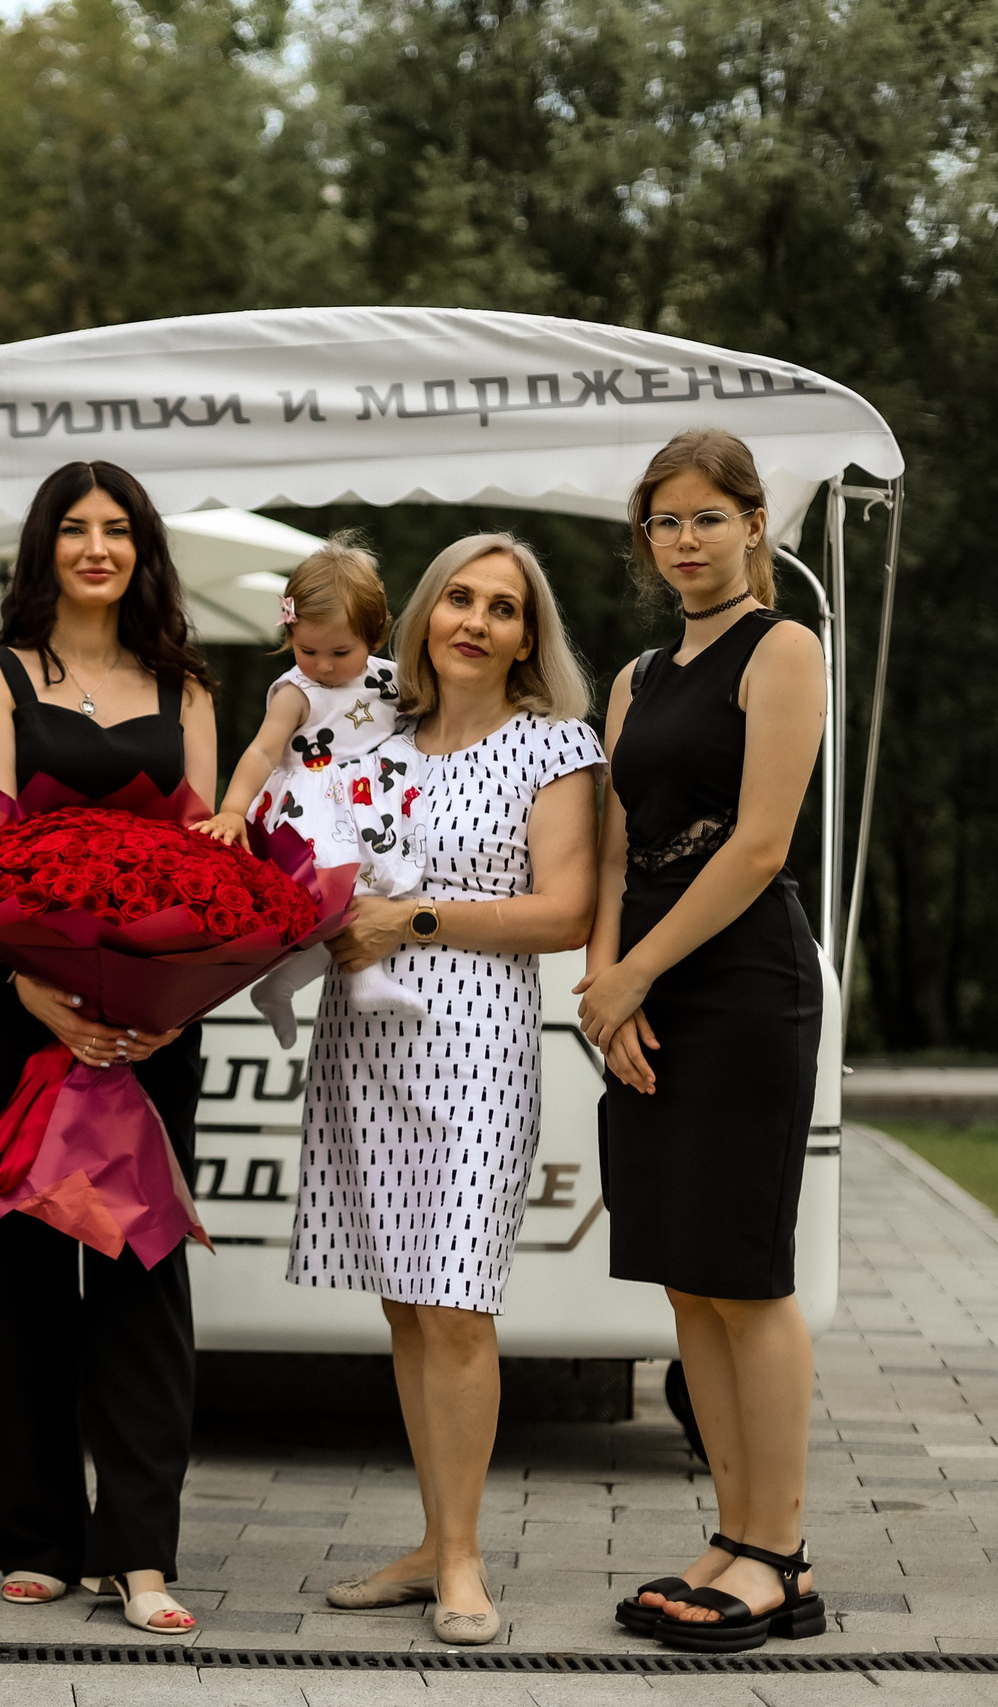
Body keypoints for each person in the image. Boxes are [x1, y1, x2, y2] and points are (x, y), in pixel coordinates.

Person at [288, 533, 602, 1644]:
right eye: (458, 598)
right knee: (408, 1303)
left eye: (502, 608)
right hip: (365, 1038)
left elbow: (562, 913)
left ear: (528, 637)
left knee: (460, 1302)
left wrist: (410, 920)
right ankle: (430, 1541)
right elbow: (307, 834)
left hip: (476, 1037)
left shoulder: (554, 747)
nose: (475, 620)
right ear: (423, 615)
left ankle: (464, 1561)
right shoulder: (369, 732)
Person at [0, 460, 219, 1636]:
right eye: (74, 528)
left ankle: (140, 1551)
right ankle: (42, 1538)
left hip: (151, 1022)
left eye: (117, 530)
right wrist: (41, 989)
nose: (96, 547)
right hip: (19, 1012)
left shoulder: (184, 684)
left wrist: (181, 994)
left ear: (142, 548)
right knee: (22, 1279)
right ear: (42, 548)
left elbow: (211, 864)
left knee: (142, 1274)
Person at [583, 430, 828, 1652]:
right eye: (662, 523)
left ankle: (779, 1551)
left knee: (747, 1271)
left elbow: (757, 847)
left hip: (740, 979)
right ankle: (731, 1531)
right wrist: (606, 990)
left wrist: (634, 974)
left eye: (704, 519)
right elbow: (618, 846)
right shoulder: (633, 678)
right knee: (686, 1270)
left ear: (752, 526)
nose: (683, 541)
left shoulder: (783, 649)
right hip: (649, 980)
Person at [196, 535, 422, 1045]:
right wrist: (232, 810)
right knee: (342, 896)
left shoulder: (392, 681)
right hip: (315, 808)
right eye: (307, 649)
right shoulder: (297, 692)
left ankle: (279, 988)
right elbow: (259, 752)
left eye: (340, 652)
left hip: (375, 804)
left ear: (376, 634)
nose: (321, 665)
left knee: (382, 889)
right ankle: (364, 978)